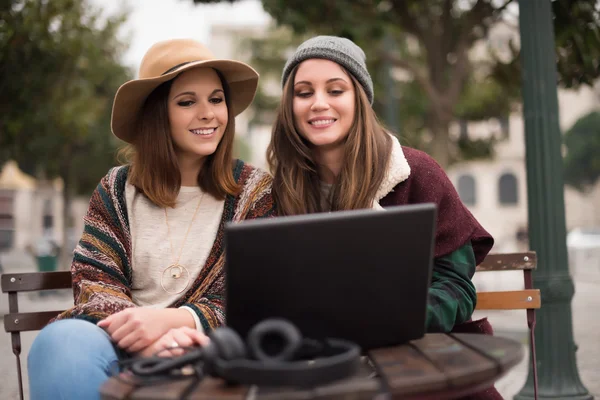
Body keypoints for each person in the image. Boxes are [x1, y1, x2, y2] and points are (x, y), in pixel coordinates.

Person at [27, 39, 274, 400]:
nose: (208, 113)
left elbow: (258, 291)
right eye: (187, 101)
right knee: (60, 342)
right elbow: (94, 282)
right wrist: (146, 340)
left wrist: (177, 323)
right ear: (157, 114)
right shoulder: (116, 189)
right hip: (120, 346)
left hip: (213, 347)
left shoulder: (254, 191)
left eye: (216, 99)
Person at [266, 36, 501, 399]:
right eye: (303, 92)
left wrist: (391, 321)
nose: (319, 103)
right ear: (290, 105)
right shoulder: (279, 192)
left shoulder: (415, 171)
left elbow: (456, 284)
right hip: (322, 369)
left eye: (335, 90)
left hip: (418, 365)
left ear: (359, 99)